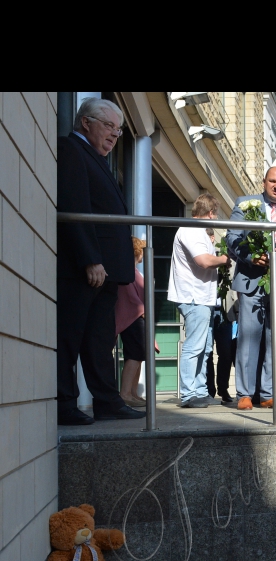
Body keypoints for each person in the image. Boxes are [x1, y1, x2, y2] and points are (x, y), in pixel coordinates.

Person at [57, 97, 145, 424]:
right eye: (108, 125)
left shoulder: (97, 159)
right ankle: (64, 405)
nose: (114, 134)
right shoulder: (71, 151)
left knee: (99, 342)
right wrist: (90, 260)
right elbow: (74, 207)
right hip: (85, 269)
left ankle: (108, 402)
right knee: (69, 337)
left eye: (119, 130)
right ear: (86, 122)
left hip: (106, 272)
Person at [226, 167, 276, 410]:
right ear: (264, 182)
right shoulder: (246, 204)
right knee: (249, 337)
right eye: (272, 181)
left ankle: (270, 393)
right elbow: (232, 237)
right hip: (252, 280)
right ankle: (245, 393)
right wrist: (250, 255)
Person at [167, 194, 230, 408]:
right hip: (194, 297)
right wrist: (223, 259)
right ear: (211, 213)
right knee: (195, 347)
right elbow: (203, 261)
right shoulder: (191, 230)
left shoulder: (195, 230)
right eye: (215, 215)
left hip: (201, 298)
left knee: (203, 348)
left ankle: (200, 390)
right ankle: (188, 394)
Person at [115, 237, 151, 407]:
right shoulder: (129, 270)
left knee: (138, 355)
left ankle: (133, 393)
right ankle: (126, 393)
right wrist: (142, 310)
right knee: (135, 354)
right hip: (134, 318)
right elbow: (129, 296)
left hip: (136, 316)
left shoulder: (133, 270)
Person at [205, 229, 237, 404]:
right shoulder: (202, 260)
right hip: (208, 311)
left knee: (226, 353)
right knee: (207, 352)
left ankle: (223, 389)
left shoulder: (223, 258)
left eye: (209, 237)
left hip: (224, 311)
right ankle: (209, 390)